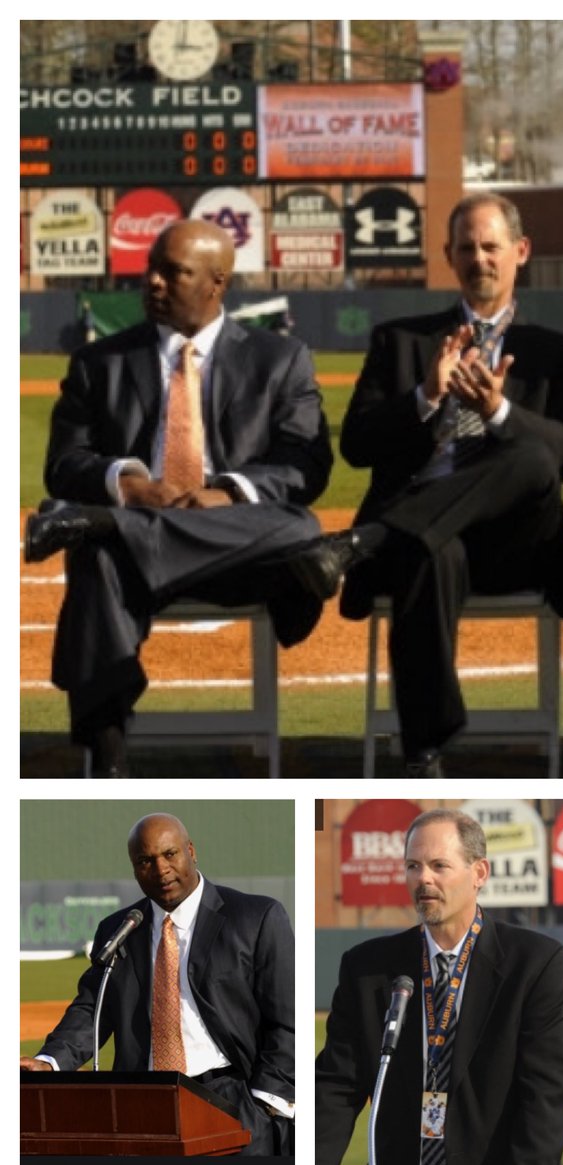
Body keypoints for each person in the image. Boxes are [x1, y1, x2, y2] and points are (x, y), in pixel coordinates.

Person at [286, 193, 563, 778]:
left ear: (520, 252)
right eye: (467, 247)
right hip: (425, 547)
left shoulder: (561, 354)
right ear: (449, 256)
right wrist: (423, 397)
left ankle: (364, 540)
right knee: (430, 547)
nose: (480, 258)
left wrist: (501, 410)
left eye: (491, 246)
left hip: (516, 545)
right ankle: (424, 751)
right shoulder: (400, 341)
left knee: (532, 454)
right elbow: (356, 446)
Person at [24, 219, 332, 777]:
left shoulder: (280, 359)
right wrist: (126, 481)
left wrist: (230, 491)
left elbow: (307, 466)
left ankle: (111, 526)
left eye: (174, 272)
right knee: (99, 559)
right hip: (132, 565)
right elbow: (64, 464)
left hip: (239, 555)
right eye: (152, 269)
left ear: (216, 283)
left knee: (303, 529)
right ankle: (108, 761)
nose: (154, 283)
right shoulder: (99, 363)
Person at [315, 808, 563, 1165]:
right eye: (412, 866)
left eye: (439, 865)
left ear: (479, 873)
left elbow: (546, 1103)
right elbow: (335, 1089)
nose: (423, 879)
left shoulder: (537, 965)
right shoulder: (366, 968)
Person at [20, 813, 295, 1156]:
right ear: (134, 869)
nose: (161, 869)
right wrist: (50, 1061)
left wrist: (266, 1104)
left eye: (170, 854)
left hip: (232, 1101)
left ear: (191, 851)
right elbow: (92, 1008)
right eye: (145, 861)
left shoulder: (257, 917)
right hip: (144, 1106)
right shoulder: (118, 929)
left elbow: (287, 1017)